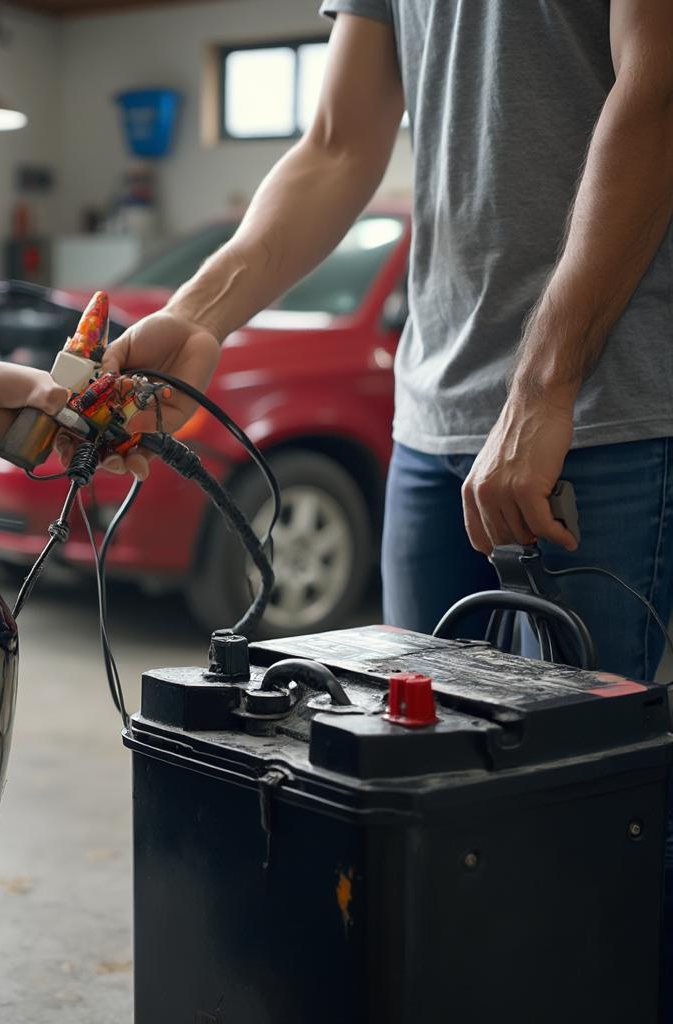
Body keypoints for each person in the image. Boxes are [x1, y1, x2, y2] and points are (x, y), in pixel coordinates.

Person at [96, 1, 673, 1004]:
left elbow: (657, 85)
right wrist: (196, 312)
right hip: (430, 416)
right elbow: (336, 142)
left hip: (599, 415)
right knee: (420, 814)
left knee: (575, 844)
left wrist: (542, 387)